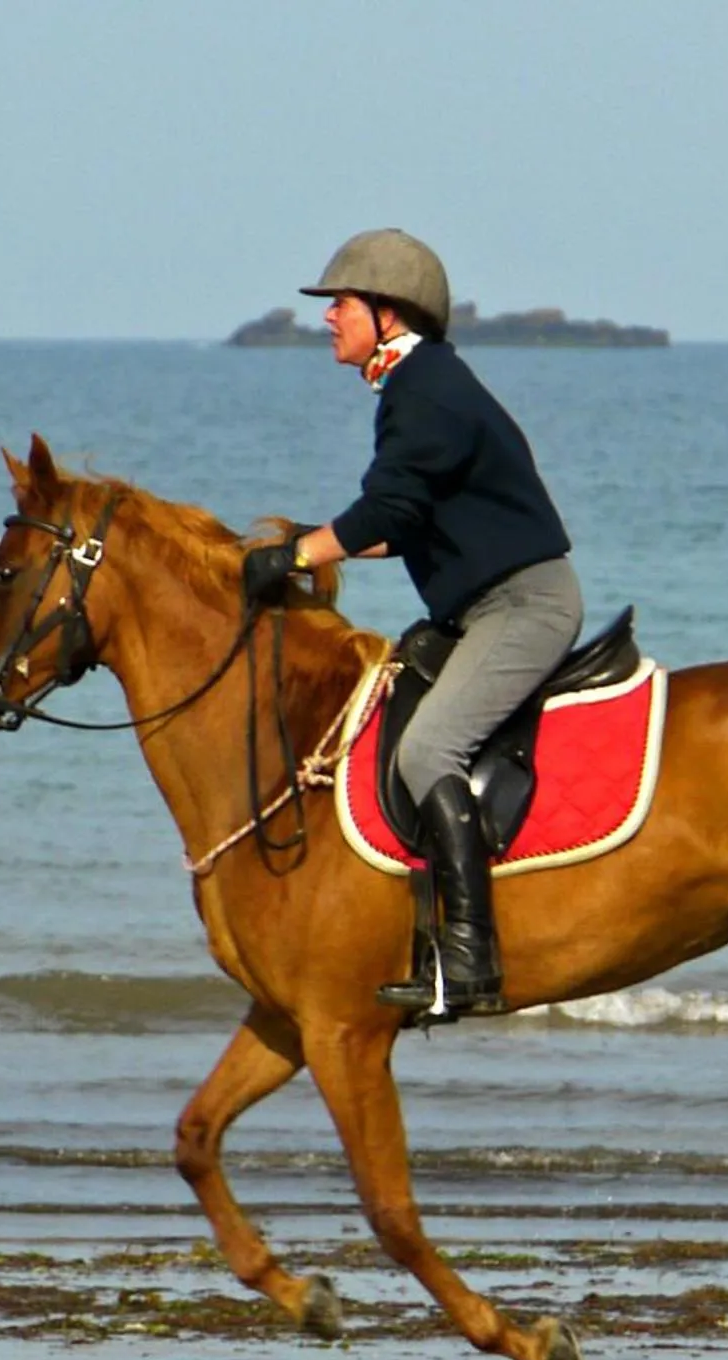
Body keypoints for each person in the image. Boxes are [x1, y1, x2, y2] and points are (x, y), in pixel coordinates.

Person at [239, 229, 584, 1017]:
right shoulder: (421, 383)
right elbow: (409, 521)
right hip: (483, 603)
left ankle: (468, 958)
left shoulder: (421, 390)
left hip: (522, 604)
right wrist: (316, 545)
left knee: (431, 746)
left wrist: (298, 554)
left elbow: (388, 508)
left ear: (387, 314)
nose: (327, 319)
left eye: (341, 306)